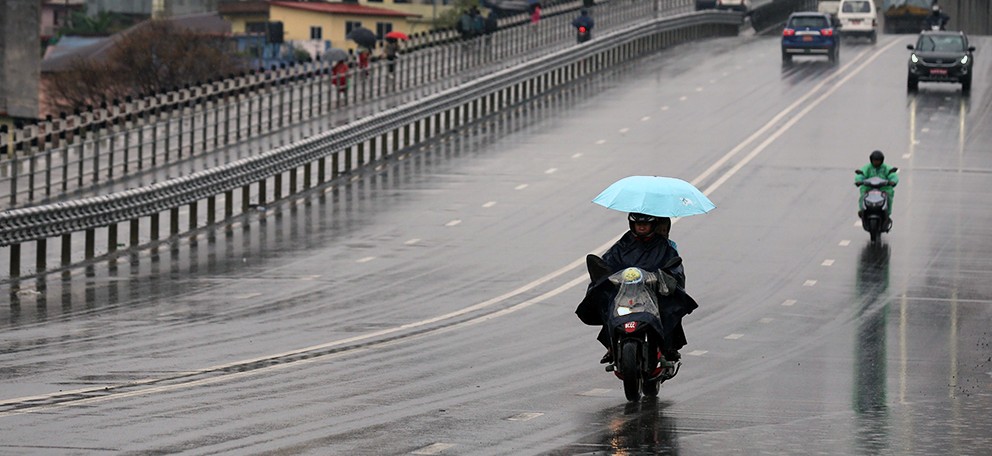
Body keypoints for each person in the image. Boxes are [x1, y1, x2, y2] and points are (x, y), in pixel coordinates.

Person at [576, 213, 696, 365]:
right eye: (637, 223)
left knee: (670, 304)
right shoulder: (622, 245)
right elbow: (608, 264)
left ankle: (667, 346)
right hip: (625, 293)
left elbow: (674, 268)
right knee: (605, 299)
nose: (641, 226)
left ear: (654, 225)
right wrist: (607, 276)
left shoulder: (664, 247)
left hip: (652, 293)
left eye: (645, 223)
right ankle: (611, 346)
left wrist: (663, 278)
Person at [855, 150, 899, 225]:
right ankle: (862, 210)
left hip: (884, 188)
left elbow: (893, 175)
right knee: (863, 196)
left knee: (888, 197)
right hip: (869, 188)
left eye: (878, 161)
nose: (876, 162)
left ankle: (887, 213)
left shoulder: (886, 168)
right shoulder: (867, 167)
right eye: (875, 160)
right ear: (871, 160)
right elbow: (861, 174)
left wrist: (893, 181)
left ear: (882, 160)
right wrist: (859, 180)